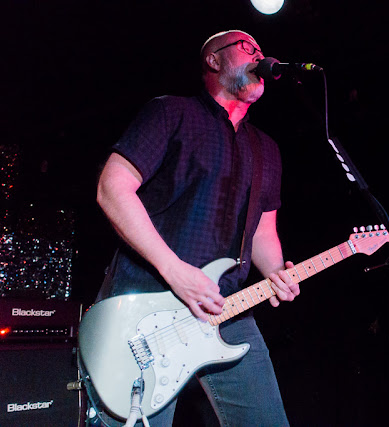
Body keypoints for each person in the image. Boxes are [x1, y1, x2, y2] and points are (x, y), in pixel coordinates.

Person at [94, 30, 299, 426]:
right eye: (247, 47)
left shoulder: (267, 148)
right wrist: (175, 270)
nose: (259, 54)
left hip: (227, 307)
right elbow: (112, 188)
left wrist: (277, 273)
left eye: (261, 49)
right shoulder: (171, 112)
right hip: (145, 301)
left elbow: (262, 232)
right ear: (214, 61)